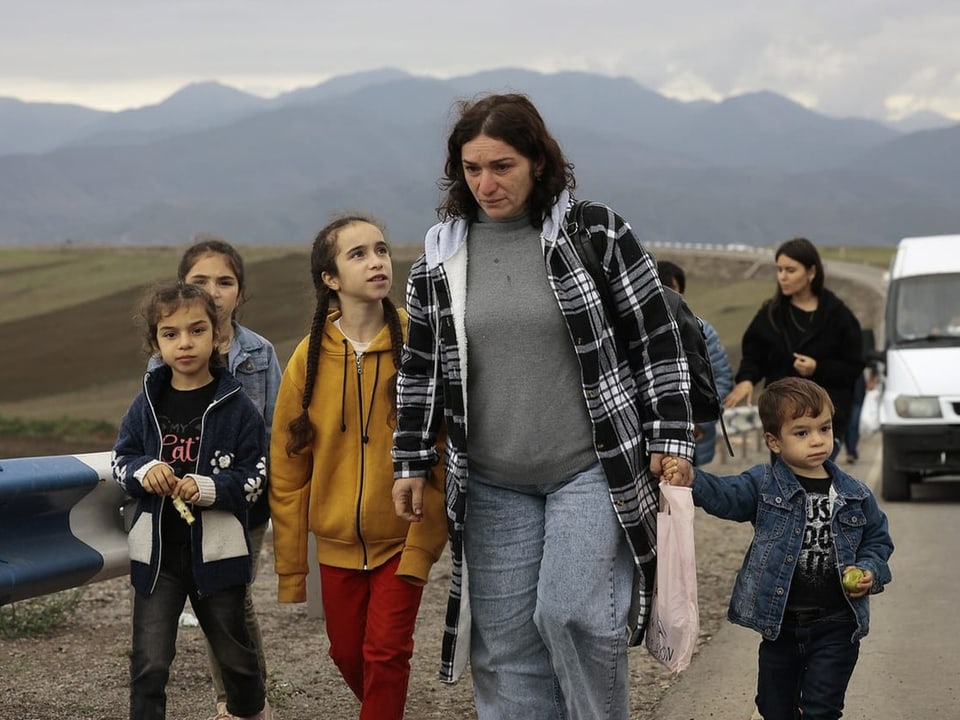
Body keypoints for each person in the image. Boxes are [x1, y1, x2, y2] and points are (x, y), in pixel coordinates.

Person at [390, 92, 695, 720]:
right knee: (504, 647)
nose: (486, 183)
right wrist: (411, 460)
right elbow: (419, 370)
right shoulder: (441, 258)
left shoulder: (594, 232)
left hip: (588, 466)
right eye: (472, 169)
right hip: (494, 480)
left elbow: (655, 337)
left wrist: (670, 436)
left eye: (501, 166)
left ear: (537, 160)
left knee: (575, 614)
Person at [269, 215, 447, 720]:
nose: (377, 262)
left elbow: (443, 453)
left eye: (382, 250)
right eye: (358, 254)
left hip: (403, 537)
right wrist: (291, 569)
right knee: (347, 654)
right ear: (330, 279)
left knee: (386, 653)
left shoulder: (421, 344)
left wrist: (425, 542)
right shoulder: (308, 358)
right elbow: (287, 471)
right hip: (335, 547)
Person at [662, 376, 893, 720]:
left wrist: (870, 571)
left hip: (837, 623)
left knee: (821, 708)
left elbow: (877, 539)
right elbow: (728, 496)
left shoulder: (855, 494)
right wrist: (692, 478)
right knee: (773, 707)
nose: (817, 440)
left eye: (824, 429)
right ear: (774, 441)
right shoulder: (763, 483)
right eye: (802, 432)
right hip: (780, 624)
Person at [112, 282, 270, 720]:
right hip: (158, 557)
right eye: (170, 333)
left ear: (218, 336)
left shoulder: (238, 408)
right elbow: (121, 459)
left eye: (197, 330)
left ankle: (250, 712)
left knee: (235, 658)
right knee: (150, 663)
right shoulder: (145, 403)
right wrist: (146, 470)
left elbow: (257, 475)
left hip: (218, 554)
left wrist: (211, 488)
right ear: (154, 343)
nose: (185, 343)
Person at [148, 235, 281, 720]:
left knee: (233, 598)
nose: (214, 289)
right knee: (211, 600)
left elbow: (274, 432)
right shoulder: (165, 355)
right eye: (200, 280)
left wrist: (269, 494)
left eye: (225, 281)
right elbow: (152, 426)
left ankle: (244, 704)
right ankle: (243, 701)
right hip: (182, 506)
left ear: (240, 293)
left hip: (242, 502)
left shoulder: (260, 354)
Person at [724, 237, 864, 461]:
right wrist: (747, 379)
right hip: (783, 422)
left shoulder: (837, 315)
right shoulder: (771, 315)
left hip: (824, 421)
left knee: (814, 483)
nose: (782, 276)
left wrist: (818, 367)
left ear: (811, 272)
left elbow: (854, 365)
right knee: (784, 486)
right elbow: (754, 354)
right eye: (779, 270)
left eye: (790, 270)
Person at [657, 259, 734, 465]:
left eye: (674, 291)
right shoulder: (634, 333)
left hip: (695, 441)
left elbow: (722, 378)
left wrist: (699, 420)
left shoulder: (702, 331)